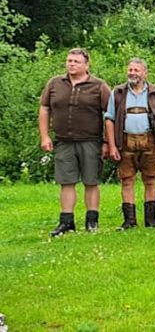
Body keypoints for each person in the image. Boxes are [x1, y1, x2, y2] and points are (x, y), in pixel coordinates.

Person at [39, 48, 111, 236]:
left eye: (76, 61)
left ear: (86, 65)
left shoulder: (99, 86)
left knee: (91, 181)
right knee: (66, 181)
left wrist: (107, 142)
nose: (71, 64)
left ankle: (92, 221)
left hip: (91, 141)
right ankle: (66, 221)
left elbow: (110, 115)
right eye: (69, 60)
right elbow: (45, 108)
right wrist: (45, 136)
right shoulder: (55, 83)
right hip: (63, 141)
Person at [104, 58, 155, 230]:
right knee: (127, 180)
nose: (132, 73)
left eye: (136, 70)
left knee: (150, 179)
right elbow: (109, 119)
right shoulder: (118, 92)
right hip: (125, 141)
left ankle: (151, 220)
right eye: (130, 69)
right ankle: (129, 221)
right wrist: (112, 145)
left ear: (145, 73)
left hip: (149, 141)